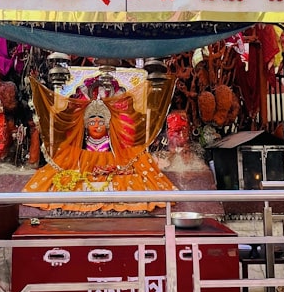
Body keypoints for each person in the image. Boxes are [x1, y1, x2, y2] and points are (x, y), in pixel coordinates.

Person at [24, 73, 177, 213]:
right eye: (92, 122)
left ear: (108, 124)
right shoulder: (74, 153)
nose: (96, 126)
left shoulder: (117, 148)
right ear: (85, 125)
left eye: (100, 122)